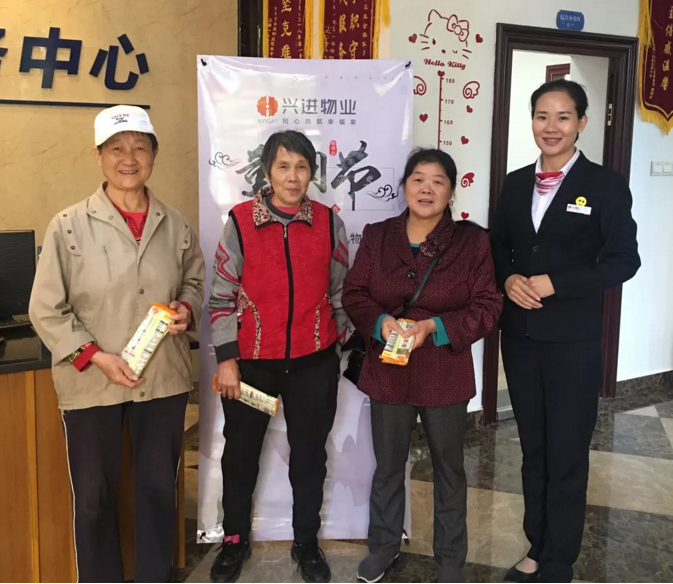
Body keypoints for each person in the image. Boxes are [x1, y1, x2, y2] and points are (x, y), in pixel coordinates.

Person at [29, 105, 206, 583]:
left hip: (161, 378)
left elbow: (194, 282)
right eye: (116, 148)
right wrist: (94, 357)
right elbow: (45, 308)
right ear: (98, 156)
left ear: (154, 155)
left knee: (157, 490)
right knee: (93, 496)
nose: (129, 158)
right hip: (92, 380)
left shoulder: (176, 225)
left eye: (139, 148)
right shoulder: (68, 225)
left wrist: (186, 309)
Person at [491, 80, 640, 583]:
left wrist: (557, 282)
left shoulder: (604, 185)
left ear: (582, 123)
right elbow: (499, 247)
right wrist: (508, 278)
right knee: (533, 448)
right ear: (532, 120)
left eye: (562, 117)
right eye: (542, 116)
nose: (550, 127)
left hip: (573, 343)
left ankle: (560, 561)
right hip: (520, 338)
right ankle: (537, 545)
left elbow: (624, 260)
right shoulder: (515, 183)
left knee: (567, 452)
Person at [342, 148, 503, 584]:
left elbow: (488, 306)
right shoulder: (378, 235)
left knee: (449, 468)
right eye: (418, 179)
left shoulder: (472, 242)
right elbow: (354, 292)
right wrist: (381, 322)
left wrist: (434, 327)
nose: (426, 189)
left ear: (451, 191)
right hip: (388, 370)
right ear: (404, 186)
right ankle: (383, 547)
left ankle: (450, 558)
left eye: (437, 181)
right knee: (388, 465)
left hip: (445, 373)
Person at [208, 130, 349, 584]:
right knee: (241, 456)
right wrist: (227, 359)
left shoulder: (328, 222)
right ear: (267, 172)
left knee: (309, 457)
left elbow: (342, 293)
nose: (293, 176)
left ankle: (306, 542)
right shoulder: (241, 221)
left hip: (313, 364)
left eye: (302, 167)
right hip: (252, 367)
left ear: (312, 172)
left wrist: (338, 347)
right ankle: (234, 540)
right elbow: (221, 296)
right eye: (283, 167)